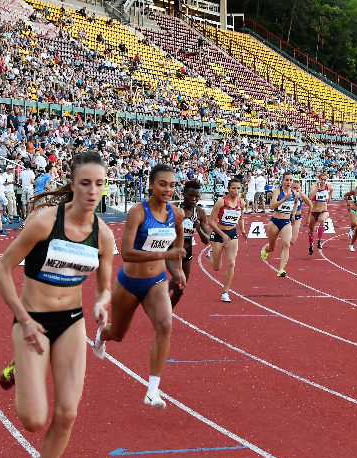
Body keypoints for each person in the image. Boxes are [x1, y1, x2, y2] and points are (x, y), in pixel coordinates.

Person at [0, 151, 114, 458]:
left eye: (99, 184)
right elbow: (2, 270)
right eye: (85, 183)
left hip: (71, 322)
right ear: (72, 184)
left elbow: (104, 285)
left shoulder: (103, 234)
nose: (92, 191)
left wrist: (102, 303)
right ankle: (19, 365)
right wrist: (24, 319)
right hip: (33, 320)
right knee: (33, 419)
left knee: (67, 414)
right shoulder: (45, 221)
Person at [92, 164, 186, 408]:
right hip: (129, 282)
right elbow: (126, 253)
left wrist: (177, 271)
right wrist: (166, 255)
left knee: (165, 325)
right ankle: (102, 334)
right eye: (162, 184)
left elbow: (175, 248)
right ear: (151, 185)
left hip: (156, 282)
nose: (168, 189)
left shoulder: (177, 215)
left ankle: (152, 390)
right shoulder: (138, 212)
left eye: (172, 185)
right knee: (118, 334)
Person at [262, 173, 309, 277]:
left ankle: (281, 270)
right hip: (275, 222)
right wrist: (284, 199)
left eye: (291, 180)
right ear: (282, 181)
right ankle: (266, 249)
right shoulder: (277, 191)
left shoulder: (295, 193)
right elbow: (272, 206)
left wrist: (293, 214)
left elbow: (296, 203)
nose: (289, 182)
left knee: (286, 244)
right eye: (287, 180)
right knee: (272, 247)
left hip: (286, 222)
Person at [208, 176, 247, 302]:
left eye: (238, 188)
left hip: (232, 234)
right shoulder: (221, 202)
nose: (236, 190)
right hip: (218, 234)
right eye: (234, 188)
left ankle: (225, 292)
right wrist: (223, 235)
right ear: (228, 189)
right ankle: (211, 254)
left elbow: (241, 218)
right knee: (216, 267)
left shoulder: (242, 203)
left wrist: (243, 230)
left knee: (231, 263)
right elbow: (211, 221)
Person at [173, 179, 209, 307]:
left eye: (197, 196)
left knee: (181, 287)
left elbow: (206, 240)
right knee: (174, 279)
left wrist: (198, 229)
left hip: (187, 250)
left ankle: (168, 310)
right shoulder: (175, 208)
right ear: (184, 194)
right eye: (190, 195)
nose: (194, 199)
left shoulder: (199, 212)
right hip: (171, 249)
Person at [307, 172, 331, 255]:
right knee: (311, 231)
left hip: (324, 211)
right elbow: (310, 196)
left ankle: (319, 241)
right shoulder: (314, 186)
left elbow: (330, 194)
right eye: (322, 179)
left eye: (325, 180)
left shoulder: (329, 187)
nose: (323, 181)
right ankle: (311, 245)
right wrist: (317, 188)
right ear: (319, 179)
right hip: (314, 212)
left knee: (322, 220)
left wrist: (327, 201)